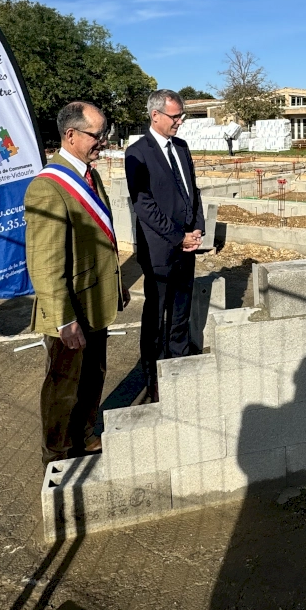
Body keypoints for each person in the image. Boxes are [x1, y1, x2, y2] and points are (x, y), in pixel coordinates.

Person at [25, 101, 128, 469]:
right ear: (70, 135)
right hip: (69, 308)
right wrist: (63, 319)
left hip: (96, 300)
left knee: (94, 374)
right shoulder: (48, 188)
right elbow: (45, 262)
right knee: (63, 385)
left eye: (103, 135)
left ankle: (85, 434)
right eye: (96, 135)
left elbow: (103, 240)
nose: (102, 142)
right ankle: (57, 452)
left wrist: (116, 286)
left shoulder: (91, 176)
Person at [125, 89, 204, 401]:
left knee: (181, 312)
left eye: (181, 116)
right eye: (175, 116)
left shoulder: (181, 148)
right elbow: (143, 205)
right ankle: (154, 379)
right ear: (155, 115)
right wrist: (177, 235)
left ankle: (180, 369)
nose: (180, 121)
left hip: (187, 245)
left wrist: (197, 228)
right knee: (156, 316)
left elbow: (192, 191)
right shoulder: (138, 153)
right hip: (160, 249)